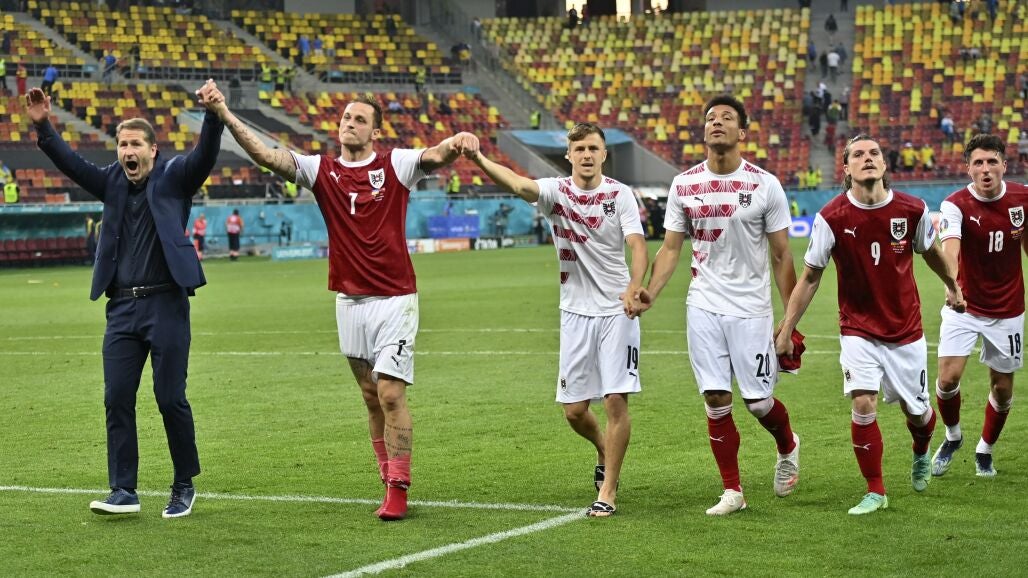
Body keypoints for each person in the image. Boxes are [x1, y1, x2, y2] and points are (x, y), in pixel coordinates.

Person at [198, 86, 480, 521]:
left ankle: (398, 488)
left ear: (375, 132)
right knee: (370, 396)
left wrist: (457, 141)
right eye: (347, 117)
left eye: (360, 119)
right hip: (349, 302)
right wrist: (224, 113)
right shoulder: (321, 170)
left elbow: (436, 155)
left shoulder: (395, 164)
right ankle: (386, 474)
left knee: (390, 393)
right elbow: (267, 156)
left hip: (395, 299)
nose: (350, 123)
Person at [26, 81, 225, 518]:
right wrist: (44, 126)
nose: (128, 151)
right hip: (121, 309)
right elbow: (72, 164)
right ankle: (123, 490)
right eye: (122, 144)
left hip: (166, 304)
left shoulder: (175, 178)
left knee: (170, 398)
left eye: (135, 144)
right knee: (116, 397)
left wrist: (213, 116)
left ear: (153, 150)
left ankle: (183, 484)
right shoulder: (112, 181)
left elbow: (204, 156)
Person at [775, 134, 964, 515]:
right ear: (846, 168)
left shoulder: (912, 210)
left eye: (874, 153)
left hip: (905, 329)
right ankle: (875, 490)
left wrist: (953, 286)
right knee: (863, 401)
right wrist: (786, 329)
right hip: (857, 328)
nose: (867, 158)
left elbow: (931, 252)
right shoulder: (831, 217)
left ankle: (921, 449)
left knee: (918, 414)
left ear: (884, 163)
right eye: (858, 154)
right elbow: (810, 277)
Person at [467, 122, 647, 517]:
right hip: (574, 314)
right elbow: (518, 184)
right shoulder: (556, 192)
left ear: (604, 154)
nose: (586, 155)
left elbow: (637, 244)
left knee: (616, 400)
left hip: (617, 310)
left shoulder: (619, 195)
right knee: (574, 411)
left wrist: (634, 287)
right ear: (569, 155)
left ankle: (608, 491)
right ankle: (603, 448)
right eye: (579, 149)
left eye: (593, 148)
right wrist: (478, 158)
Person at [636, 95, 801, 516]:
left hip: (751, 308)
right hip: (703, 302)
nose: (717, 122)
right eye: (711, 118)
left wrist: (790, 320)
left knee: (758, 403)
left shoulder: (764, 184)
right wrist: (651, 291)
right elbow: (670, 248)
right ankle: (733, 490)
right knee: (714, 396)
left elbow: (782, 254)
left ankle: (788, 445)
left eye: (727, 118)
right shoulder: (684, 184)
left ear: (741, 132)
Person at [931, 134, 1028, 478]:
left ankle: (985, 450)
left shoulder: (1023, 199)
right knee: (947, 379)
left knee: (1002, 388)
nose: (985, 169)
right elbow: (951, 248)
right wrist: (952, 285)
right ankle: (952, 436)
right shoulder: (955, 204)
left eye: (992, 162)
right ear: (968, 168)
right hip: (964, 305)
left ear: (1004, 165)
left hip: (1008, 309)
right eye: (978, 163)